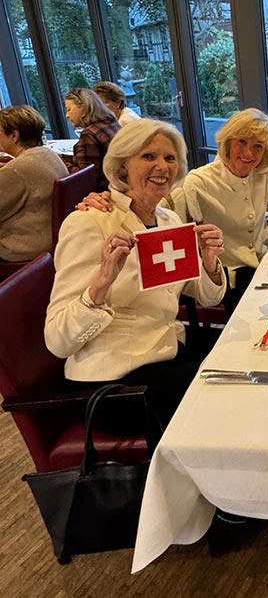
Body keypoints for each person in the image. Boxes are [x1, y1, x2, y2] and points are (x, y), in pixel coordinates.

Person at [45, 119, 226, 426]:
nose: (162, 166)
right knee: (224, 396)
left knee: (241, 356)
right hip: (114, 381)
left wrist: (208, 262)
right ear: (122, 165)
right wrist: (102, 282)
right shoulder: (89, 222)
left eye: (170, 157)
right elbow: (57, 341)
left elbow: (206, 298)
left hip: (164, 350)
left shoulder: (168, 221)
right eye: (148, 156)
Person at [79, 108, 268, 305]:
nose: (249, 153)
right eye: (242, 142)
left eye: (258, 146)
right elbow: (153, 209)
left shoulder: (264, 172)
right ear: (227, 141)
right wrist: (112, 198)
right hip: (230, 275)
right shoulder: (199, 181)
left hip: (261, 261)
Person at [0, 105, 68, 262]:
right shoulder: (48, 154)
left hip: (24, 247)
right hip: (51, 237)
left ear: (14, 136)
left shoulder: (15, 171)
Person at [64, 88, 121, 191]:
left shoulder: (89, 135)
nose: (67, 115)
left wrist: (63, 164)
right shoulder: (111, 123)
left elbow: (85, 179)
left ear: (83, 108)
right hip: (118, 185)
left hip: (104, 192)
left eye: (69, 109)